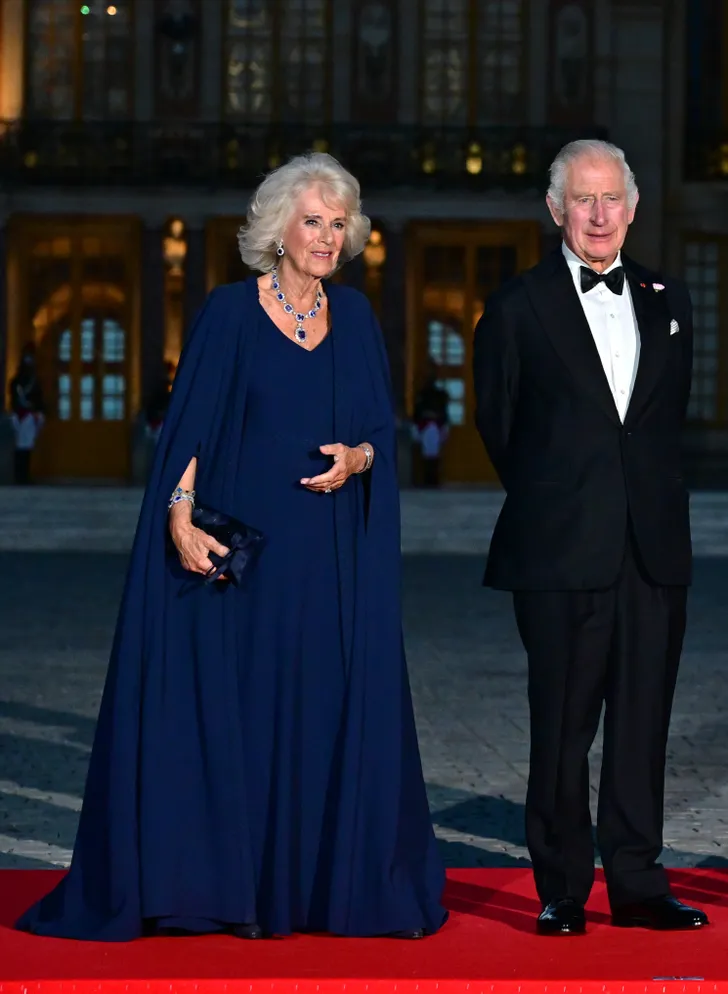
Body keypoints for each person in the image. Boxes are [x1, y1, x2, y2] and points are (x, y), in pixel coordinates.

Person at [16, 152, 446, 943]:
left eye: (338, 223)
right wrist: (179, 516)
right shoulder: (228, 312)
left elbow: (378, 434)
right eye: (312, 221)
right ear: (278, 228)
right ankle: (228, 887)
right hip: (245, 558)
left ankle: (312, 890)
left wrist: (359, 460)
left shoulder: (355, 318)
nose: (326, 236)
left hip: (328, 561)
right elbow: (190, 431)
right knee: (241, 715)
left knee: (318, 712)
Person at [473, 139, 708, 936]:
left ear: (633, 208)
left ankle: (638, 883)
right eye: (584, 199)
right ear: (556, 209)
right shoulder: (516, 306)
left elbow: (660, 426)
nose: (600, 214)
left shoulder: (671, 299)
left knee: (643, 725)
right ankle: (563, 888)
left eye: (612, 199)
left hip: (653, 550)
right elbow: (499, 426)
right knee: (562, 728)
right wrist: (561, 500)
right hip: (560, 549)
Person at [9, 343, 45, 485]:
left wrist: (37, 412)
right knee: (20, 447)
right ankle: (20, 477)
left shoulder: (34, 382)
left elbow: (38, 399)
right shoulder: (16, 382)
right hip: (19, 415)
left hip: (29, 416)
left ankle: (23, 476)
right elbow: (14, 398)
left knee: (26, 447)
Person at [413, 365, 450, 487]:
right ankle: (426, 478)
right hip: (424, 425)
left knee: (433, 447)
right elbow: (417, 413)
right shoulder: (421, 395)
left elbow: (443, 413)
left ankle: (434, 478)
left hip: (436, 425)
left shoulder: (440, 395)